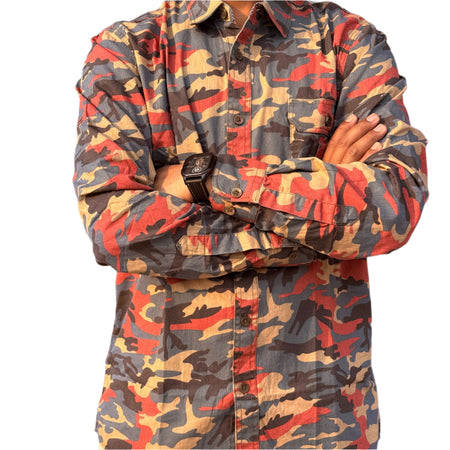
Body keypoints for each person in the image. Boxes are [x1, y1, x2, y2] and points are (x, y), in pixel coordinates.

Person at [73, 1, 428, 448]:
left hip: (320, 422)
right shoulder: (128, 50)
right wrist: (316, 209)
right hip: (163, 423)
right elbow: (116, 229)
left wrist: (203, 178)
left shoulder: (348, 43)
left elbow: (392, 208)